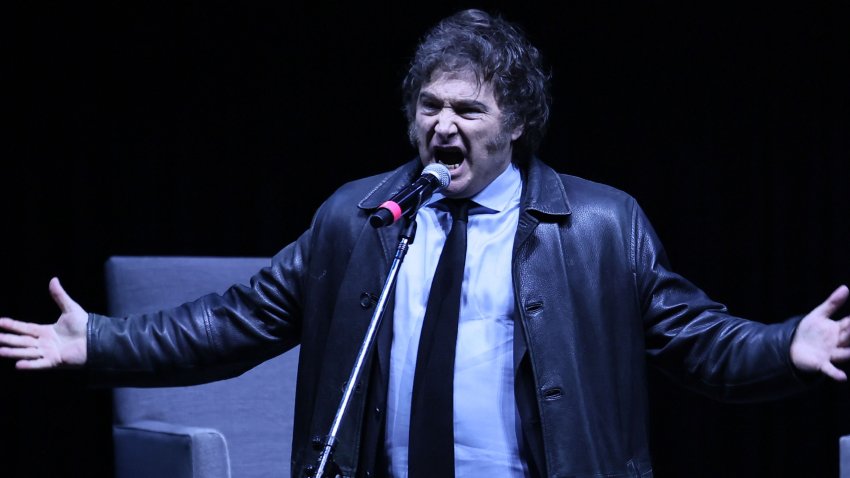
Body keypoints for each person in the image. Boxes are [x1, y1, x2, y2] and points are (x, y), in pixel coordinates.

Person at [1, 8, 849, 478]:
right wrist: (99, 343)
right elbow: (236, 320)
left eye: (468, 109)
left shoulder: (598, 226)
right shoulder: (357, 219)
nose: (443, 124)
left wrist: (787, 347)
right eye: (429, 106)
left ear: (514, 124)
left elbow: (697, 340)